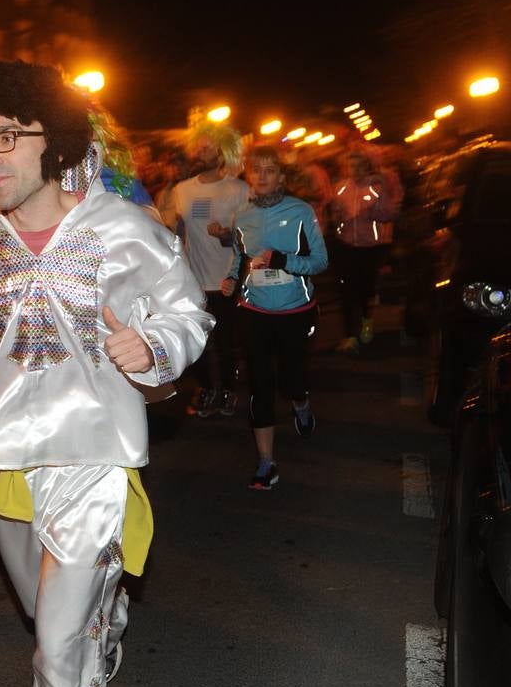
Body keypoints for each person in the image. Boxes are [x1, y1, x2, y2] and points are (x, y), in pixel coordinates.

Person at [0, 57, 213, 687]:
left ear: (50, 141)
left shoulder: (120, 227)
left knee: (55, 647)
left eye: (6, 138)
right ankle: (103, 618)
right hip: (6, 458)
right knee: (46, 614)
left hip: (94, 455)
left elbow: (188, 315)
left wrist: (149, 346)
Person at [220, 145, 328, 490]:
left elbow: (320, 262)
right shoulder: (243, 216)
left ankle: (301, 402)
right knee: (260, 385)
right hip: (255, 312)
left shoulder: (301, 211)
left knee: (292, 381)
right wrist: (232, 279)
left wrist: (284, 260)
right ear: (249, 176)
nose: (262, 176)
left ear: (281, 177)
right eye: (257, 170)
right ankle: (266, 462)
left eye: (270, 170)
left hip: (295, 311)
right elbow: (242, 258)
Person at [169, 120, 249, 417]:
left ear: (223, 152)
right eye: (198, 147)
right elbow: (179, 232)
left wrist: (229, 235)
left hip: (226, 278)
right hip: (194, 281)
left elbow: (250, 237)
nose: (201, 152)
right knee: (197, 342)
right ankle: (206, 388)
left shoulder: (239, 190)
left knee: (227, 341)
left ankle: (227, 388)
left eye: (208, 147)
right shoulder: (182, 190)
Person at [328, 142, 402, 353]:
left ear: (366, 167)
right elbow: (333, 213)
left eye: (359, 166)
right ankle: (349, 335)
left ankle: (367, 320)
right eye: (351, 167)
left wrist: (374, 211)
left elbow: (390, 214)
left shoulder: (376, 187)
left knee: (365, 289)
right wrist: (337, 219)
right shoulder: (341, 187)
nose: (355, 171)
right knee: (346, 291)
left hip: (370, 247)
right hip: (345, 245)